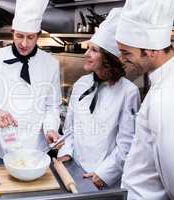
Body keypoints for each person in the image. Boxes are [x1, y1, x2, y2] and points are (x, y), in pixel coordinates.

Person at [57, 8, 141, 189]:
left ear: (108, 58)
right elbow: (70, 128)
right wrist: (65, 153)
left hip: (103, 177)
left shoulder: (129, 92)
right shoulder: (81, 84)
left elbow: (127, 142)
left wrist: (105, 173)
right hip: (75, 169)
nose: (86, 54)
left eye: (94, 50)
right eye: (88, 48)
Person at [0, 0, 62, 163]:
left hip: (37, 147)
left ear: (38, 35)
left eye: (30, 37)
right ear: (12, 32)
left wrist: (51, 129)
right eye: (19, 36)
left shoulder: (51, 64)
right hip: (2, 146)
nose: (24, 43)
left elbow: (52, 106)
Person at [115, 0, 174, 199]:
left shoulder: (165, 97)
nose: (121, 59)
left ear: (150, 50)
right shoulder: (163, 82)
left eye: (126, 53)